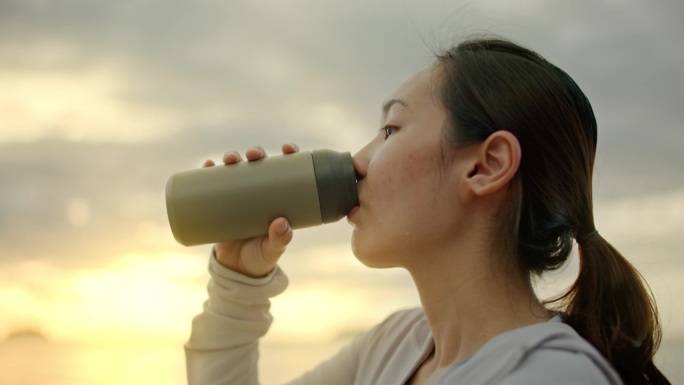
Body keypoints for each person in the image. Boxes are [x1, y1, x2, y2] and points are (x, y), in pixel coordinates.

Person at [184, 37, 671, 385]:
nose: (356, 161)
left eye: (391, 129)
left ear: (486, 165)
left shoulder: (548, 375)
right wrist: (237, 285)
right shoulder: (394, 346)